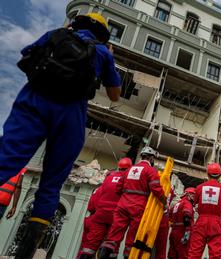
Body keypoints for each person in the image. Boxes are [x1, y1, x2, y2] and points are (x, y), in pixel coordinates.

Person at [0, 12, 121, 258]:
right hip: (70, 113)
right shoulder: (102, 53)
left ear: (75, 24)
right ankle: (26, 252)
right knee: (52, 184)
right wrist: (109, 58)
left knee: (5, 159)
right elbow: (115, 95)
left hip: (33, 101)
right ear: (102, 35)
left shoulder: (55, 35)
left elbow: (27, 56)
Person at [99, 147, 166, 259]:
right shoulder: (151, 171)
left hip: (122, 206)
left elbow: (118, 188)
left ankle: (103, 256)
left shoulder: (129, 169)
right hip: (138, 207)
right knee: (132, 238)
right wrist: (164, 201)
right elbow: (156, 188)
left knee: (113, 236)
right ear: (150, 158)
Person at [79, 157, 133, 259]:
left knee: (89, 247)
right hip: (116, 218)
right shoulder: (129, 181)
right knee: (112, 246)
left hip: (100, 216)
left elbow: (93, 203)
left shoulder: (108, 178)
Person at [188, 163, 221, 259]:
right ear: (220, 175)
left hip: (201, 222)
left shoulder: (199, 187)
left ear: (207, 174)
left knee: (194, 253)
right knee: (215, 255)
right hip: (216, 223)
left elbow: (195, 204)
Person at [168, 187, 195, 259]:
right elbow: (187, 216)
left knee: (172, 254)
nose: (194, 198)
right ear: (188, 195)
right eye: (193, 196)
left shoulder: (177, 204)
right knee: (183, 254)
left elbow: (169, 214)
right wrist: (187, 232)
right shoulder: (187, 203)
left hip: (174, 232)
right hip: (183, 231)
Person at [77, 187, 101, 259]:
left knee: (85, 247)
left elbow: (90, 207)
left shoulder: (98, 189)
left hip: (90, 219)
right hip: (99, 222)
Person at [154, 187, 175, 259]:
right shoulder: (170, 189)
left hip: (152, 215)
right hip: (163, 217)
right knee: (161, 248)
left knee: (144, 245)